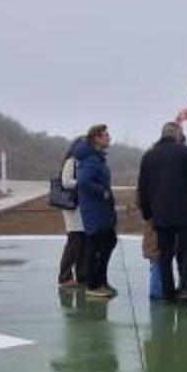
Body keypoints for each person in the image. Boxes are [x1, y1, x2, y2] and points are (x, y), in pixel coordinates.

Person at [138, 121, 187, 307]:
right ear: (177, 134)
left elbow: (143, 187)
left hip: (160, 213)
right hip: (184, 211)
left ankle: (168, 292)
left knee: (165, 253)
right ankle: (186, 288)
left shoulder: (149, 156)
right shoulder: (185, 152)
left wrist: (147, 212)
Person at [76, 124, 119, 298]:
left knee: (108, 241)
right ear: (96, 138)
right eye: (105, 135)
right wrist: (103, 192)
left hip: (102, 210)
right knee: (95, 246)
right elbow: (84, 182)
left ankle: (101, 280)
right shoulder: (91, 160)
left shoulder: (98, 158)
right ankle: (93, 285)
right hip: (94, 211)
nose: (109, 138)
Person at [56, 137, 86, 288]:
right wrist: (84, 182)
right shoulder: (71, 162)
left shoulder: (80, 162)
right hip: (72, 207)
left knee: (81, 241)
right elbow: (66, 182)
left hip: (80, 207)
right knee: (74, 241)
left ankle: (81, 275)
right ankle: (65, 276)